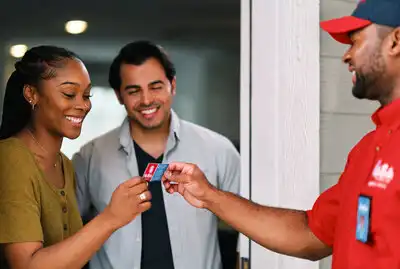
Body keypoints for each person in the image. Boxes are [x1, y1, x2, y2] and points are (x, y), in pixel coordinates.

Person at [161, 0, 400, 268]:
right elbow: (310, 233)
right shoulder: (368, 149)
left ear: (395, 41)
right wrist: (208, 195)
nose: (346, 55)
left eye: (355, 41)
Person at [72, 40, 240, 269]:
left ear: (173, 85)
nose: (147, 100)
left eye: (156, 87)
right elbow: (68, 235)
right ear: (119, 95)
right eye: (134, 91)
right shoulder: (90, 157)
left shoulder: (218, 151)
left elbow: (251, 230)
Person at [0, 45, 152, 269]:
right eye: (69, 94)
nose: (83, 105)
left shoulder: (65, 165)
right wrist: (110, 218)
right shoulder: (10, 157)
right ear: (31, 94)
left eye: (87, 95)